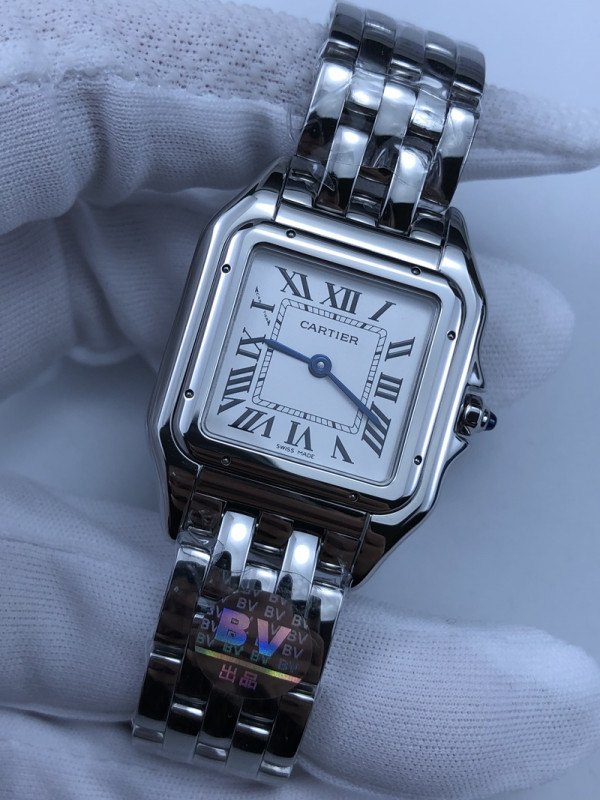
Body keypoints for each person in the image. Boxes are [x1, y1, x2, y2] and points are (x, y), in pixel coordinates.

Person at [0, 2, 599, 798]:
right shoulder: (258, 230)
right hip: (237, 483)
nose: (322, 363)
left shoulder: (423, 284)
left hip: (308, 510)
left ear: (458, 414)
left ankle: (220, 723)